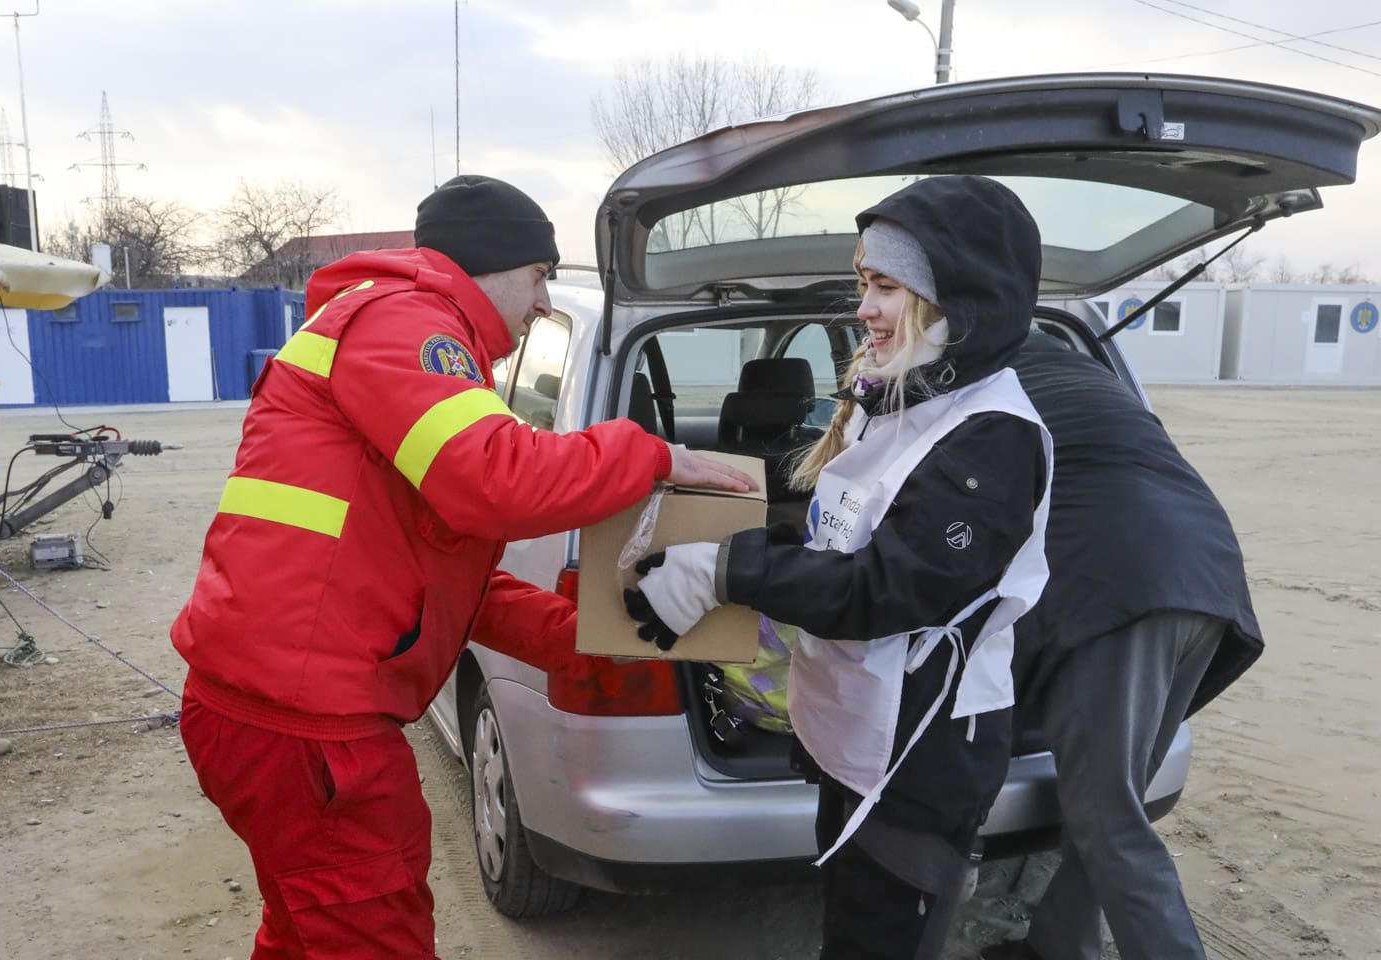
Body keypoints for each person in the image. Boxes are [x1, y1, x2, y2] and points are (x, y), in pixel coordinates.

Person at [171, 174, 755, 960]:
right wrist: (651, 453)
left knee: (309, 934)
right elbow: (496, 481)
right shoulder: (405, 321)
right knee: (369, 938)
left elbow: (440, 582)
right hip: (307, 729)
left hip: (280, 715)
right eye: (542, 274)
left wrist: (588, 634)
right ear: (493, 263)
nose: (545, 300)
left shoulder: (395, 327)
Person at [624, 175, 1054, 960]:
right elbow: (836, 552)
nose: (863, 307)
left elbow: (887, 589)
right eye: (864, 282)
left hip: (920, 758)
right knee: (850, 929)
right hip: (852, 730)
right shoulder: (892, 405)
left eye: (885, 285)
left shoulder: (990, 436)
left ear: (954, 295)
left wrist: (726, 571)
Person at [981, 333, 1264, 960]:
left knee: (1110, 821)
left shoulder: (967, 372)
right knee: (1111, 804)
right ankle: (1058, 946)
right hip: (1204, 571)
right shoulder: (1068, 362)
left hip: (1119, 585)